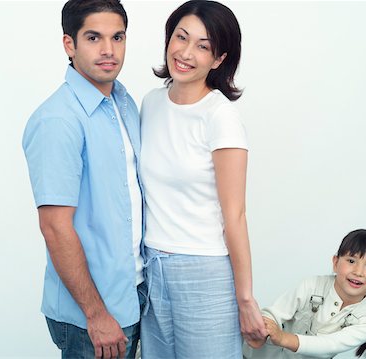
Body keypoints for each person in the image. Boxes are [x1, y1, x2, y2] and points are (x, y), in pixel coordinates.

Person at [138, 1, 267, 358]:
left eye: (203, 45)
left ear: (219, 58)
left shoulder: (220, 116)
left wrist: (245, 298)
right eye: (181, 37)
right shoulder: (150, 103)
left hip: (204, 272)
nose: (186, 52)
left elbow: (235, 215)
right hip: (152, 269)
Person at [22, 0, 146, 358]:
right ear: (69, 45)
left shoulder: (123, 103)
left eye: (117, 37)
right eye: (94, 37)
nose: (109, 50)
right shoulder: (58, 120)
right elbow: (55, 227)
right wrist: (96, 314)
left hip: (133, 295)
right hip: (92, 313)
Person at [243, 229, 366, 359]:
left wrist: (282, 338)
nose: (358, 272)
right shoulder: (311, 285)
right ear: (335, 262)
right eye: (351, 261)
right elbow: (276, 312)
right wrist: (261, 330)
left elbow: (330, 344)